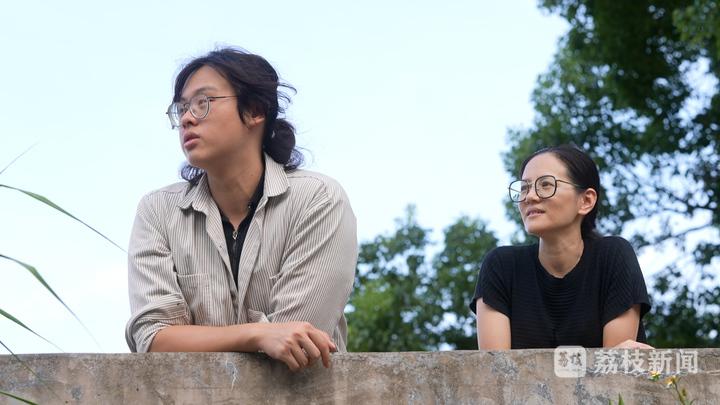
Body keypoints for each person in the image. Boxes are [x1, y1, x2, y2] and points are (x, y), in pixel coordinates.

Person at [125, 47, 357, 371]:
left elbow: (297, 344)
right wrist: (258, 334)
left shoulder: (318, 200)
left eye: (203, 103)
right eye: (182, 109)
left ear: (254, 110)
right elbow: (152, 339)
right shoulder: (158, 211)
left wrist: (191, 338)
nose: (187, 118)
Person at [470, 145, 652, 349]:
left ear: (586, 200)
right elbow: (494, 365)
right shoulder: (501, 266)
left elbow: (616, 363)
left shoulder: (613, 256)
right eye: (524, 188)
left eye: (546, 185)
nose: (530, 197)